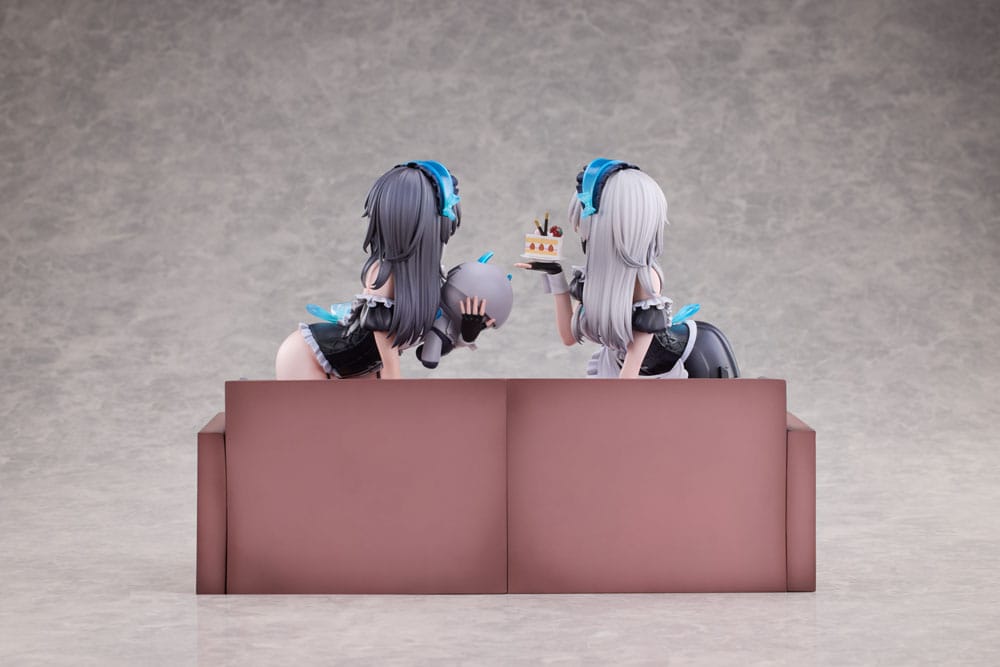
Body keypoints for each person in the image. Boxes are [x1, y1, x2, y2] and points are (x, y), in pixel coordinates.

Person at [276, 161, 508, 380]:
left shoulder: (429, 278)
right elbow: (383, 340)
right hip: (310, 357)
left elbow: (429, 351)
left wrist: (467, 333)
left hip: (363, 368)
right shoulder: (384, 274)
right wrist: (394, 385)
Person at [518, 158, 739, 379]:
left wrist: (617, 397)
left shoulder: (645, 279)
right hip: (631, 369)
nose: (580, 228)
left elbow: (630, 371)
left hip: (698, 356)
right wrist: (555, 274)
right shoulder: (592, 279)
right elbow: (568, 336)